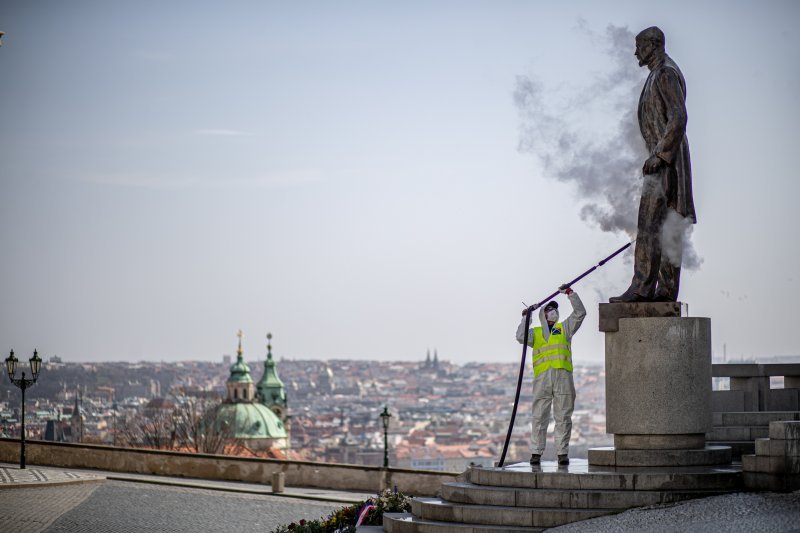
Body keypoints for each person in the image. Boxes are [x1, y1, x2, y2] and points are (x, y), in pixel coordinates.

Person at [611, 26, 696, 303]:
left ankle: (642, 287)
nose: (636, 51)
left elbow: (678, 117)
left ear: (653, 44)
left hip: (665, 160)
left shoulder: (665, 73)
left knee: (649, 224)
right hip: (667, 158)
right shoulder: (657, 74)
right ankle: (665, 291)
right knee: (668, 225)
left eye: (639, 46)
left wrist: (659, 155)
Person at [516, 287, 586, 465]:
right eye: (549, 309)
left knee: (563, 417)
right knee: (539, 417)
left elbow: (580, 313)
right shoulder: (536, 333)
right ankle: (536, 453)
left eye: (554, 309)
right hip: (543, 379)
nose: (553, 312)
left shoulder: (565, 329)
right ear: (543, 315)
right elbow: (520, 336)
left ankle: (562, 453)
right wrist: (526, 317)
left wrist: (571, 294)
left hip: (563, 377)